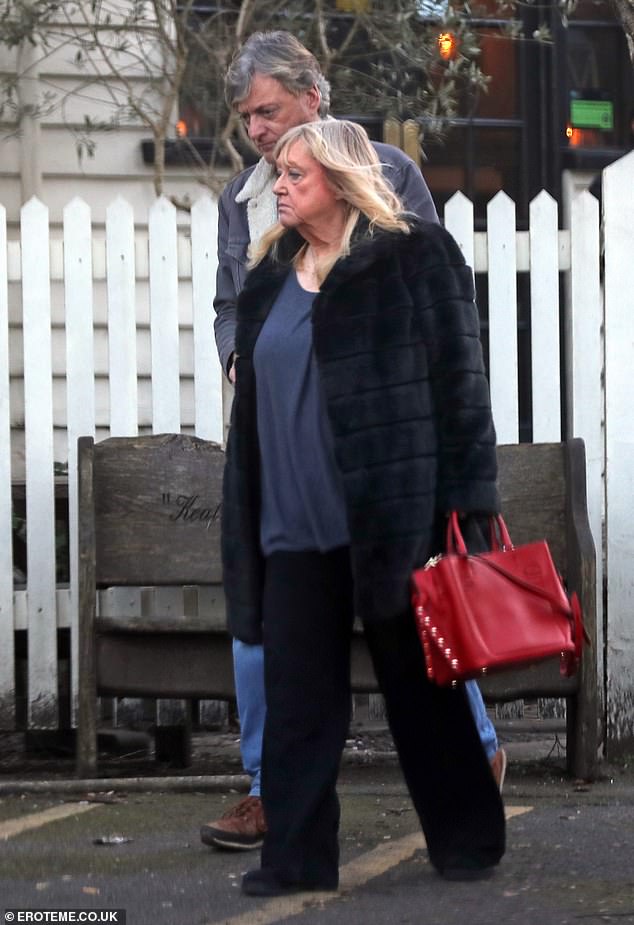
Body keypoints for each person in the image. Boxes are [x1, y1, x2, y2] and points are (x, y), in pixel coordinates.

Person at [202, 29, 505, 854]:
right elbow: (232, 302)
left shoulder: (388, 173)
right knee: (267, 614)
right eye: (247, 117)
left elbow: (431, 302)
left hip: (378, 452)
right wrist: (244, 356)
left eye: (269, 111)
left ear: (313, 95)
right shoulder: (241, 201)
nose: (258, 130)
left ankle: (477, 756)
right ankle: (272, 789)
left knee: (421, 611)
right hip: (280, 440)